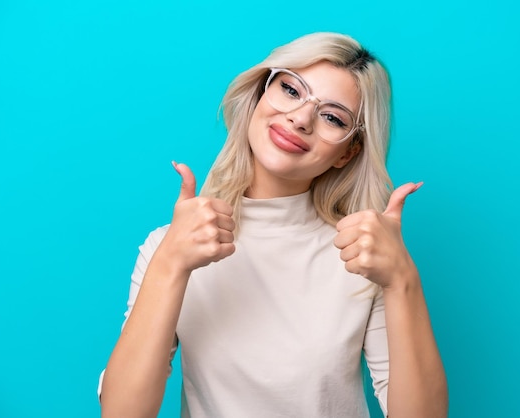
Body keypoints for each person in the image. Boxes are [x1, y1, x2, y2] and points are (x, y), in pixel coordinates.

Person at [98, 32, 448, 418]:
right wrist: (169, 263)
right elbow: (121, 412)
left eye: (332, 116)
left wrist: (402, 279)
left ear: (347, 153)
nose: (300, 118)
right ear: (259, 96)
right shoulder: (170, 246)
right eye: (291, 90)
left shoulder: (363, 258)